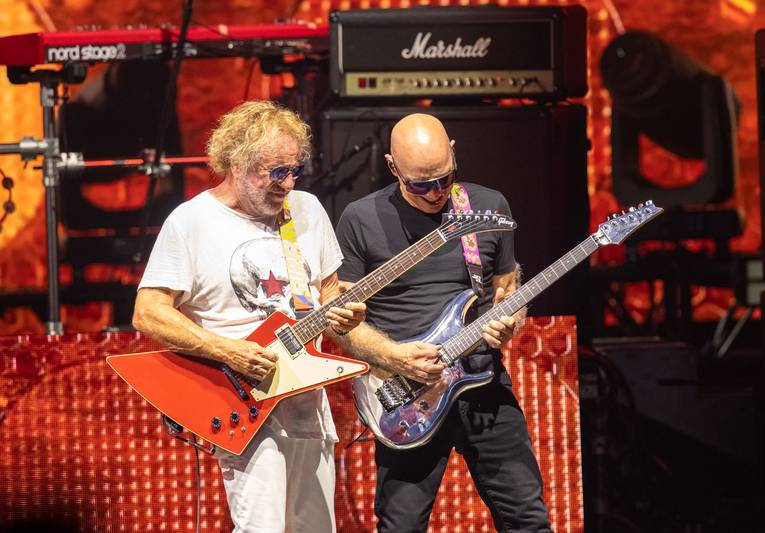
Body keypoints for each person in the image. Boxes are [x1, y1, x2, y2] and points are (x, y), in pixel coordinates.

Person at [131, 100, 367, 533]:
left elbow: (329, 292)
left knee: (317, 528)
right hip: (242, 402)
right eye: (276, 172)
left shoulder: (308, 210)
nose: (288, 183)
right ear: (236, 164)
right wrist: (229, 351)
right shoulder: (191, 222)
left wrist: (345, 312)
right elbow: (148, 313)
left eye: (294, 170)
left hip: (307, 401)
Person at [335, 113, 553, 532]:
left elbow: (508, 289)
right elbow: (341, 322)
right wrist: (394, 357)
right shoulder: (360, 219)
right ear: (393, 167)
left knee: (528, 518)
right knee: (401, 526)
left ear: (454, 151)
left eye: (445, 179)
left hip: (482, 382)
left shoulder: (489, 206)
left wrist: (509, 321)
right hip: (405, 393)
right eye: (420, 184)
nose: (436, 193)